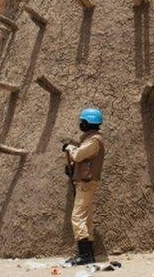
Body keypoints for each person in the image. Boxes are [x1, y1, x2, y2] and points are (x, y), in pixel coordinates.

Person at [63, 107, 105, 265]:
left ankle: (85, 255)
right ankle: (89, 255)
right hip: (84, 183)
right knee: (86, 218)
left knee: (77, 217)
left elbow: (79, 155)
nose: (81, 124)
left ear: (89, 123)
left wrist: (70, 147)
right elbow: (83, 159)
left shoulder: (94, 140)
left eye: (83, 121)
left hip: (86, 184)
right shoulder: (90, 138)